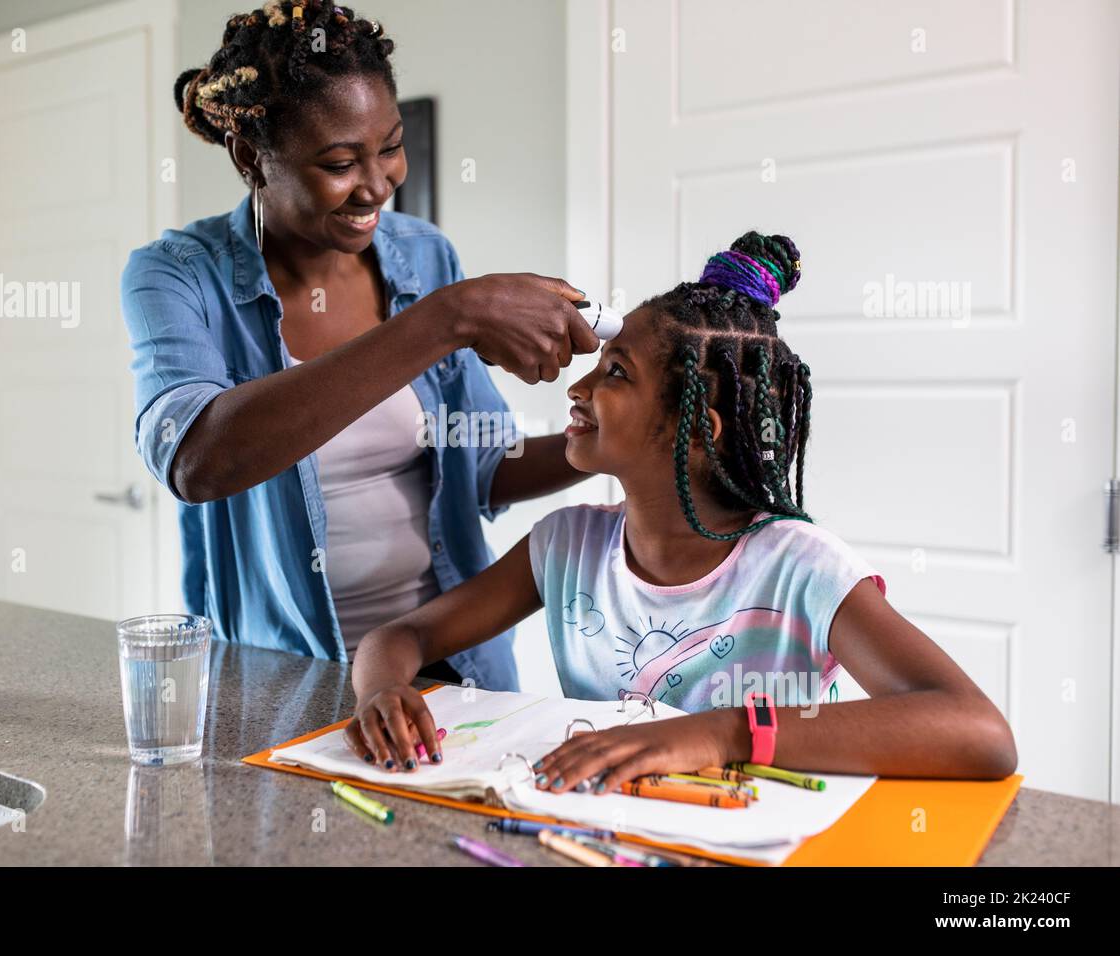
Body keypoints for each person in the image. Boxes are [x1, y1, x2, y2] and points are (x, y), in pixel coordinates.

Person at [345, 231, 1018, 788]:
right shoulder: (565, 546)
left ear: (699, 432)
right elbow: (399, 639)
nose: (576, 388)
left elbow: (979, 733)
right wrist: (381, 690)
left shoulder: (798, 568)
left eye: (616, 374)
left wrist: (719, 732)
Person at [121, 2, 598, 691]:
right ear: (252, 157)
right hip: (287, 683)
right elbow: (200, 461)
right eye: (341, 162)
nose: (376, 186)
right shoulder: (177, 275)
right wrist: (446, 319)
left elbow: (484, 466)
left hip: (455, 665)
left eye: (391, 147)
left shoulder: (423, 255)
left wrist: (611, 441)